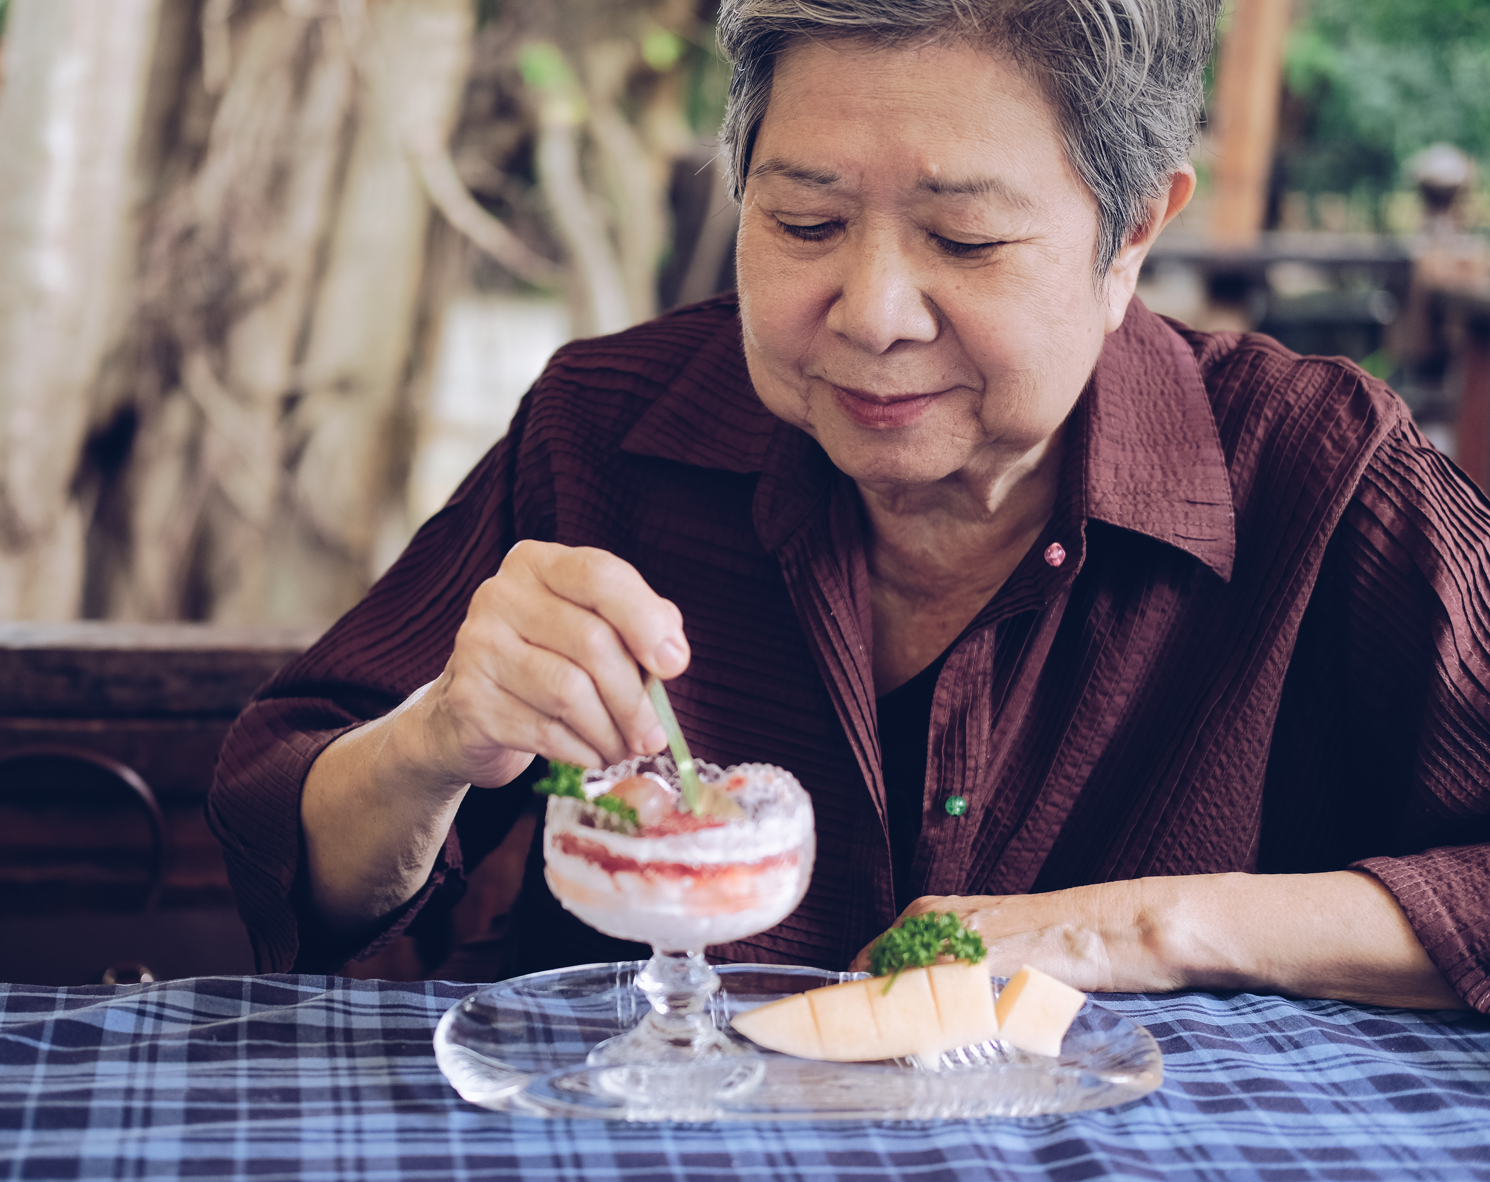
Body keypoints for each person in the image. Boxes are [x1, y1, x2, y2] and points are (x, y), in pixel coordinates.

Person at [209, 0, 1490, 1013]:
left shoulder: (1316, 474)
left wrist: (1151, 925)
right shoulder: (608, 428)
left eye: (967, 242)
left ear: (1134, 232)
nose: (873, 315)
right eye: (806, 222)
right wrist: (438, 737)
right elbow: (302, 866)